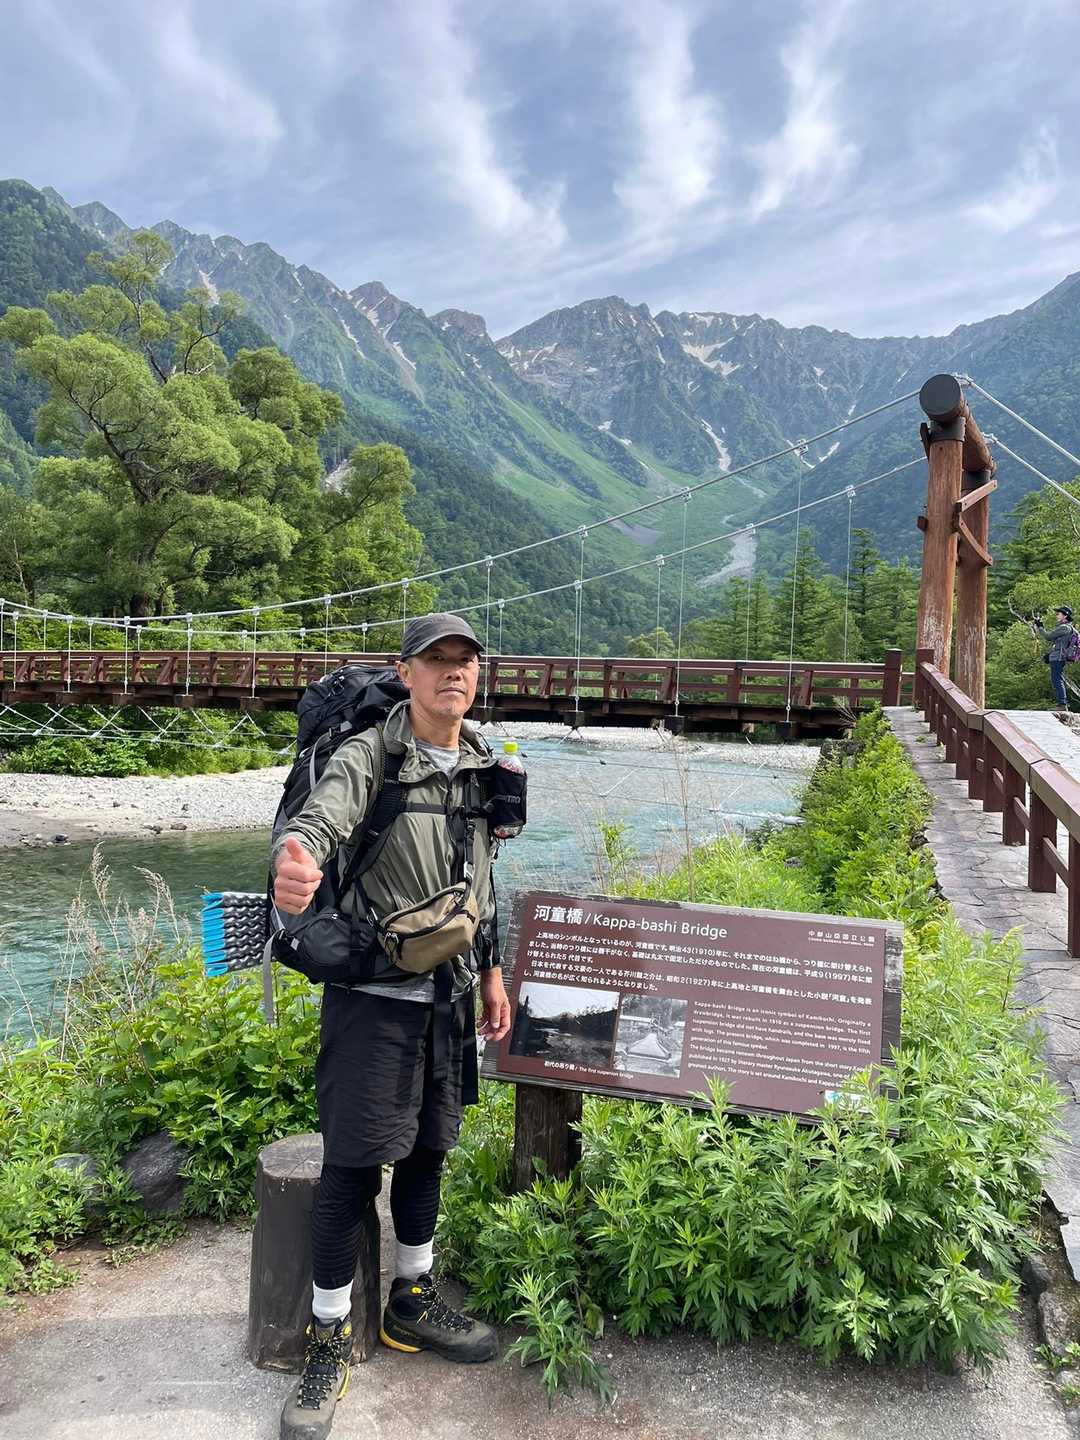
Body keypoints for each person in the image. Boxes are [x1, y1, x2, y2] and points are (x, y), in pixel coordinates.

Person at [272, 613, 512, 1440]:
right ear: (405, 673)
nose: (453, 672)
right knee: (351, 1168)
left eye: (465, 661)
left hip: (449, 995)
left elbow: (483, 880)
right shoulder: (370, 753)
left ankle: (411, 1298)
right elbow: (320, 822)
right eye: (436, 660)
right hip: (373, 996)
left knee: (428, 1150)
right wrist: (296, 862)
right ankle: (327, 1334)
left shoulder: (482, 760)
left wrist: (491, 971)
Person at [1034, 605, 1075, 712]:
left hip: (1058, 658)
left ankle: (1062, 704)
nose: (1056, 615)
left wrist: (1040, 626)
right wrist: (1050, 655)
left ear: (1065, 616)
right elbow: (1059, 644)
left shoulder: (1065, 627)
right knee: (1057, 679)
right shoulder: (1066, 627)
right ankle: (1062, 703)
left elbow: (1048, 636)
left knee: (1057, 680)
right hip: (1058, 657)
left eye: (1058, 614)